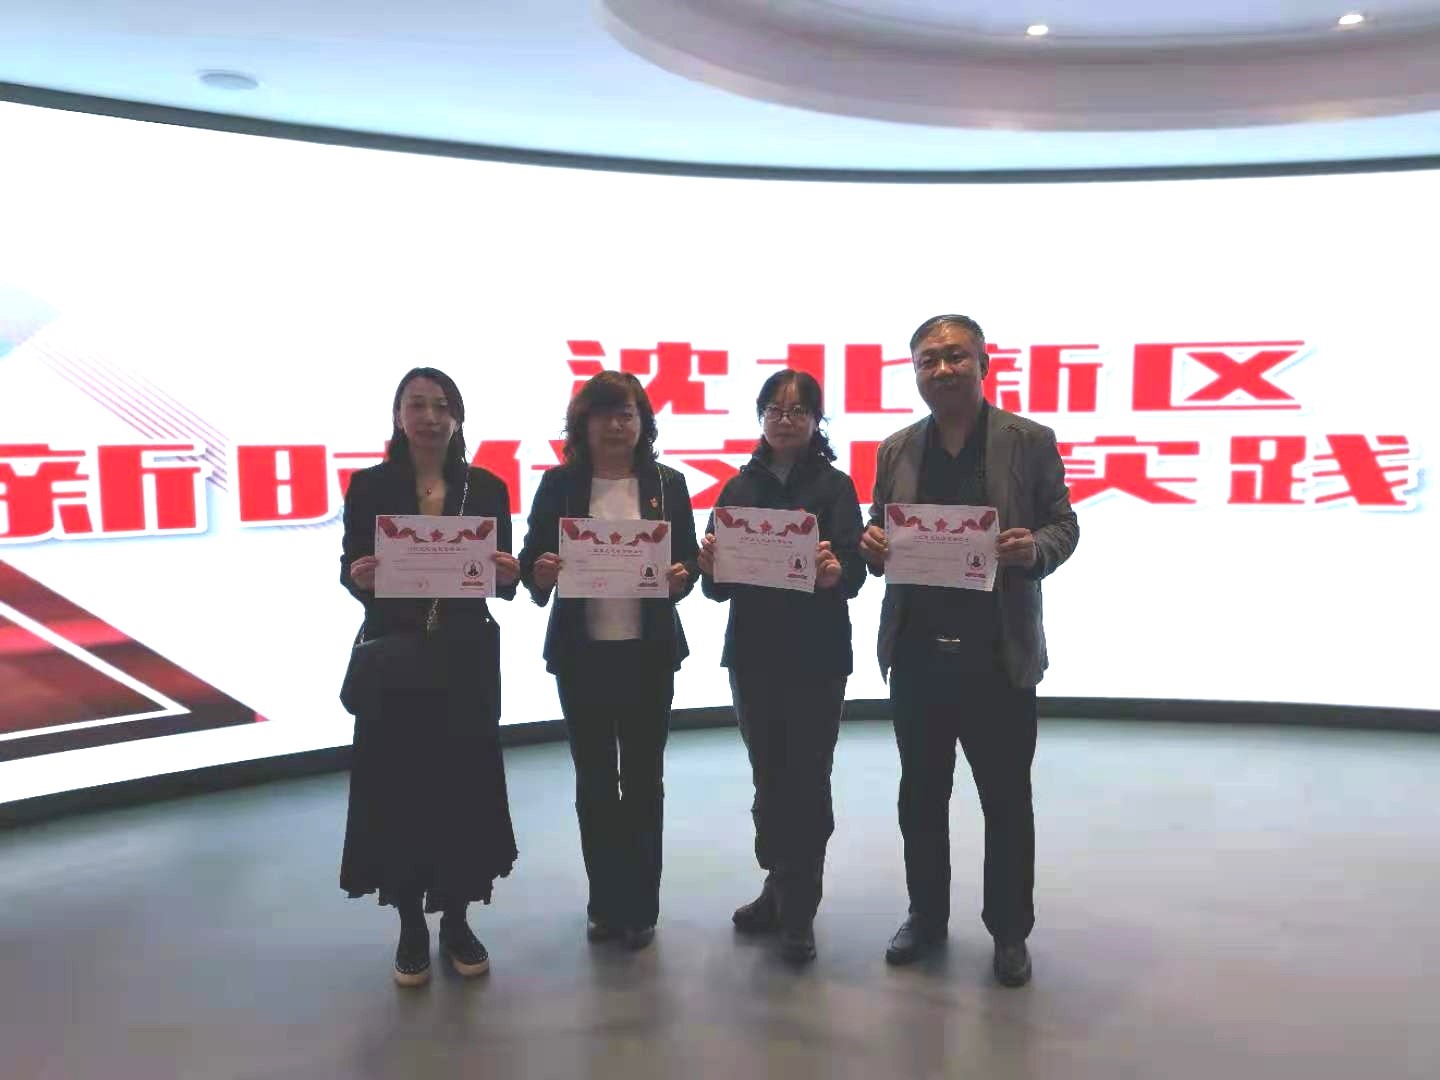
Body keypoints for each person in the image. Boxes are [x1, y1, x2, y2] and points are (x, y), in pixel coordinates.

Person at [860, 315, 1079, 987]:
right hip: (917, 653)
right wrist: (872, 546)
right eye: (928, 360)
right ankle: (926, 917)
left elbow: (1064, 524)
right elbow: (879, 530)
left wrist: (1034, 548)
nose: (942, 369)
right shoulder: (896, 449)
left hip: (998, 653)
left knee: (1006, 801)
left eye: (956, 356)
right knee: (920, 797)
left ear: (985, 363)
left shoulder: (1028, 440)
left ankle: (1009, 931)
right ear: (915, 373)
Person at [339, 366, 521, 987]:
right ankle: (410, 926)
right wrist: (359, 577)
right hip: (395, 660)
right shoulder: (369, 486)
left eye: (442, 406)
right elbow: (349, 566)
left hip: (465, 660)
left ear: (458, 417)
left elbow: (502, 578)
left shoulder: (486, 487)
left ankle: (458, 921)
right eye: (416, 405)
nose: (430, 417)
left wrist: (509, 573)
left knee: (463, 791)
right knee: (399, 792)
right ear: (398, 416)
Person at [519, 371, 699, 950]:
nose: (617, 425)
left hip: (649, 655)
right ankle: (605, 903)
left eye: (627, 414)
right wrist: (539, 572)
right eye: (604, 414)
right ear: (583, 423)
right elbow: (531, 560)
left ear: (643, 423)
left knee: (644, 781)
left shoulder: (668, 484)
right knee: (595, 781)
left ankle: (641, 907)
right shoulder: (560, 485)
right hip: (582, 656)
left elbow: (689, 560)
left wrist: (682, 576)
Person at [697, 369, 865, 964]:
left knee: (808, 779)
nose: (785, 419)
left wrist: (835, 572)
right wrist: (709, 565)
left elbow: (855, 570)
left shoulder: (836, 487)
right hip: (754, 655)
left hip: (817, 656)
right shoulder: (737, 488)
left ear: (817, 420)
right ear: (760, 417)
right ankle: (777, 885)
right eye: (775, 409)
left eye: (798, 410)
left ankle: (800, 909)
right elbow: (715, 588)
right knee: (768, 776)